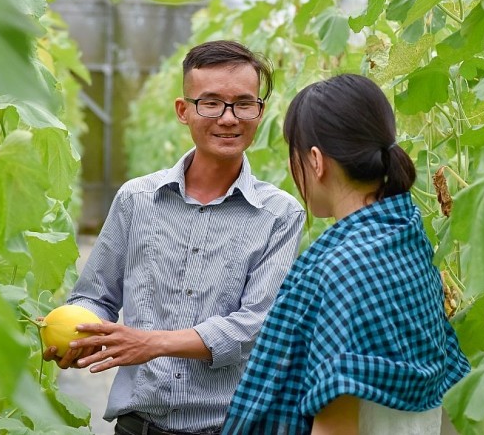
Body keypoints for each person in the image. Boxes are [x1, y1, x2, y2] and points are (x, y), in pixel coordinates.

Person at [44, 40, 306, 435]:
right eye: (211, 103)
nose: (228, 118)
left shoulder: (280, 215)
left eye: (243, 104)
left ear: (260, 110)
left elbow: (256, 326)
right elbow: (96, 296)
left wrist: (153, 343)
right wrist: (82, 335)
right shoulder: (136, 199)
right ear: (183, 110)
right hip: (137, 427)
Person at [222, 74, 470, 435]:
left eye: (294, 154)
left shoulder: (345, 267)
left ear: (316, 161)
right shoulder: (406, 234)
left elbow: (336, 426)